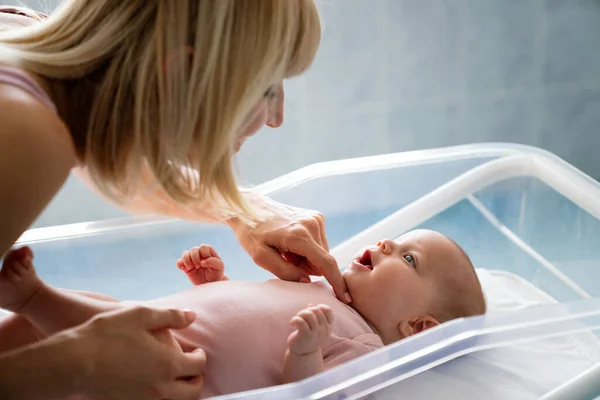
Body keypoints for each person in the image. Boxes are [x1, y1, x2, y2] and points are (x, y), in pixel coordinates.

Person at [0, 1, 350, 399]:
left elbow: (117, 160)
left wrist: (243, 212)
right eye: (267, 87)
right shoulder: (25, 132)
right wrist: (77, 363)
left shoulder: (27, 37)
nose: (275, 117)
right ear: (180, 74)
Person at [0, 229, 486, 398]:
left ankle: (35, 298)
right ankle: (27, 314)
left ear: (419, 327)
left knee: (104, 327)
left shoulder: (367, 349)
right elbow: (249, 312)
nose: (385, 243)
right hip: (160, 320)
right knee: (75, 320)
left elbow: (313, 395)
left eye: (407, 258)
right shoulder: (320, 287)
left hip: (176, 370)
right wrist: (216, 284)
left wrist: (307, 354)